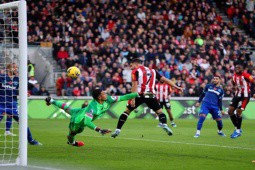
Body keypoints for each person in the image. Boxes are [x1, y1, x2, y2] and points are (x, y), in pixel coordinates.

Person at [45, 88, 144, 147]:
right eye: (104, 93)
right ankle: (72, 142)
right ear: (99, 97)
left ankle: (52, 100)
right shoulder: (92, 107)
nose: (106, 94)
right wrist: (99, 130)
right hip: (79, 121)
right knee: (72, 133)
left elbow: (124, 97)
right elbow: (87, 122)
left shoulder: (108, 99)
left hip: (80, 111)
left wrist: (138, 94)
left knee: (69, 109)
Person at [111, 58, 183, 138]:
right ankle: (164, 124)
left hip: (139, 94)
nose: (130, 67)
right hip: (150, 95)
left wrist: (133, 99)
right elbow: (165, 79)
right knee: (160, 112)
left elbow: (134, 86)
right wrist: (176, 86)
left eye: (131, 65)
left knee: (127, 112)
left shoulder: (135, 71)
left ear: (136, 64)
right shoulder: (153, 71)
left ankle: (117, 130)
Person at [0, 63, 41, 145]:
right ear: (8, 69)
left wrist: (25, 93)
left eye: (16, 67)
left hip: (12, 104)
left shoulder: (17, 79)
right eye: (13, 67)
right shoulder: (2, 77)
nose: (15, 69)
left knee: (23, 122)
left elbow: (18, 90)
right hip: (1, 104)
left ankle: (31, 140)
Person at [228, 64, 255, 138]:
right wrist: (233, 88)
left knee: (238, 111)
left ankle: (237, 131)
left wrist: (254, 93)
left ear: (242, 69)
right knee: (230, 111)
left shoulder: (246, 75)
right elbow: (234, 85)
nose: (237, 68)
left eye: (239, 67)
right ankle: (238, 128)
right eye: (236, 67)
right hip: (237, 95)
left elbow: (253, 82)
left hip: (245, 96)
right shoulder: (234, 76)